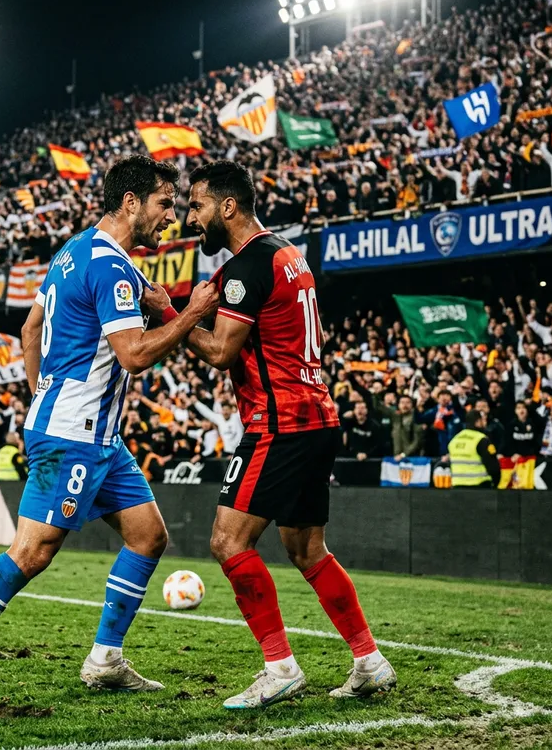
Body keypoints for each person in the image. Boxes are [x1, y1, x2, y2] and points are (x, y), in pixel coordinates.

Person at [0, 155, 219, 706]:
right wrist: (188, 312)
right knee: (31, 553)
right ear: (131, 202)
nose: (171, 217)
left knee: (148, 535)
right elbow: (132, 355)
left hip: (93, 434)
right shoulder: (113, 267)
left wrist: (41, 395)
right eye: (164, 204)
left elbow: (30, 328)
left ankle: (105, 660)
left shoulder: (72, 250)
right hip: (73, 434)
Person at [153, 161, 396, 708]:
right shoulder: (287, 254)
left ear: (228, 206)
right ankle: (369, 660)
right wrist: (180, 302)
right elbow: (223, 302)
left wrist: (170, 314)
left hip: (279, 422)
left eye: (197, 206)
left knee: (227, 540)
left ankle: (279, 666)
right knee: (307, 548)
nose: (192, 218)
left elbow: (220, 351)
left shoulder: (247, 268)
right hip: (318, 417)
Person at [447, 409, 501, 488]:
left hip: (457, 486)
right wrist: (495, 483)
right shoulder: (481, 439)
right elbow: (492, 465)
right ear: (478, 422)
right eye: (483, 420)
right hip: (479, 486)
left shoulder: (454, 440)